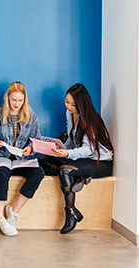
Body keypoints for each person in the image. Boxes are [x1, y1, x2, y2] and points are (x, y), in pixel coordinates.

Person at [39, 83, 113, 234]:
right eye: (67, 102)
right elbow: (72, 141)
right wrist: (61, 148)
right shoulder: (70, 114)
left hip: (100, 162)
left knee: (65, 171)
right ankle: (80, 177)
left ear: (82, 104)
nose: (69, 107)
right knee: (44, 161)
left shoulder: (90, 120)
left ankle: (71, 212)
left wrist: (68, 154)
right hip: (84, 158)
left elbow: (89, 149)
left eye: (74, 104)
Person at [0, 81, 44, 236]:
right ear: (7, 99)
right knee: (2, 172)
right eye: (14, 100)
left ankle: (13, 210)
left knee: (39, 173)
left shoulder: (31, 117)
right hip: (1, 157)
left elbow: (36, 140)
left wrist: (30, 148)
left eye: (20, 100)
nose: (17, 104)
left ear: (25, 100)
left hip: (22, 158)